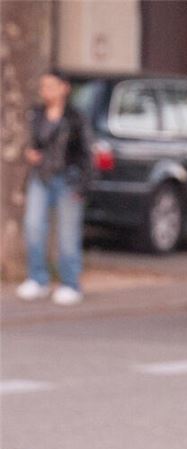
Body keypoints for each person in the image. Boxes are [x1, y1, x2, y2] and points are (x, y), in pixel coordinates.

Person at [17, 69, 92, 305]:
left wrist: (83, 185)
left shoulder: (75, 117)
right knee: (33, 226)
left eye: (50, 86)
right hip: (41, 177)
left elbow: (87, 153)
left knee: (67, 233)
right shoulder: (37, 114)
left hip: (69, 179)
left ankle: (71, 284)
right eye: (43, 87)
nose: (45, 91)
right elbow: (33, 144)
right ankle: (38, 279)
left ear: (64, 88)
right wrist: (30, 155)